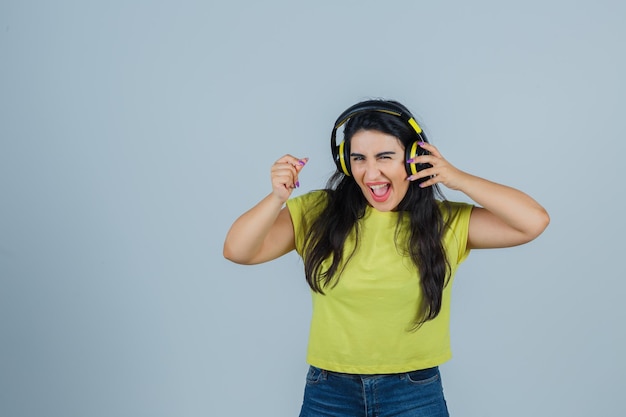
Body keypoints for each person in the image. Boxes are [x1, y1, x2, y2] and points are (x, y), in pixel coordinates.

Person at [223, 99, 550, 417]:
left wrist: (457, 178)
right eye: (359, 158)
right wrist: (276, 197)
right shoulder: (317, 212)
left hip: (414, 392)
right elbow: (237, 250)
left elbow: (533, 221)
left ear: (412, 158)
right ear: (345, 162)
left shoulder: (444, 222)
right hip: (329, 391)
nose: (371, 172)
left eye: (385, 156)